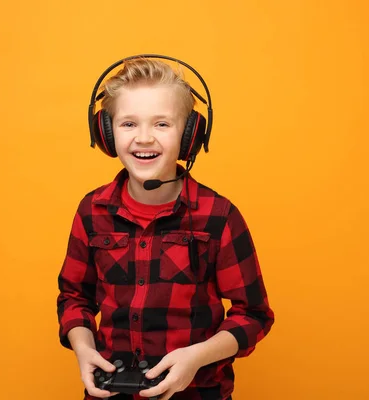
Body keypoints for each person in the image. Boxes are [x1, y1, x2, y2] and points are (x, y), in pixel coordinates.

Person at [56, 55, 275, 400]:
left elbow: (254, 315)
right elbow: (74, 298)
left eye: (162, 124)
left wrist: (196, 358)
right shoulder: (91, 211)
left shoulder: (219, 216)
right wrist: (83, 349)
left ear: (190, 135)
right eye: (128, 124)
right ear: (106, 132)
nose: (144, 138)